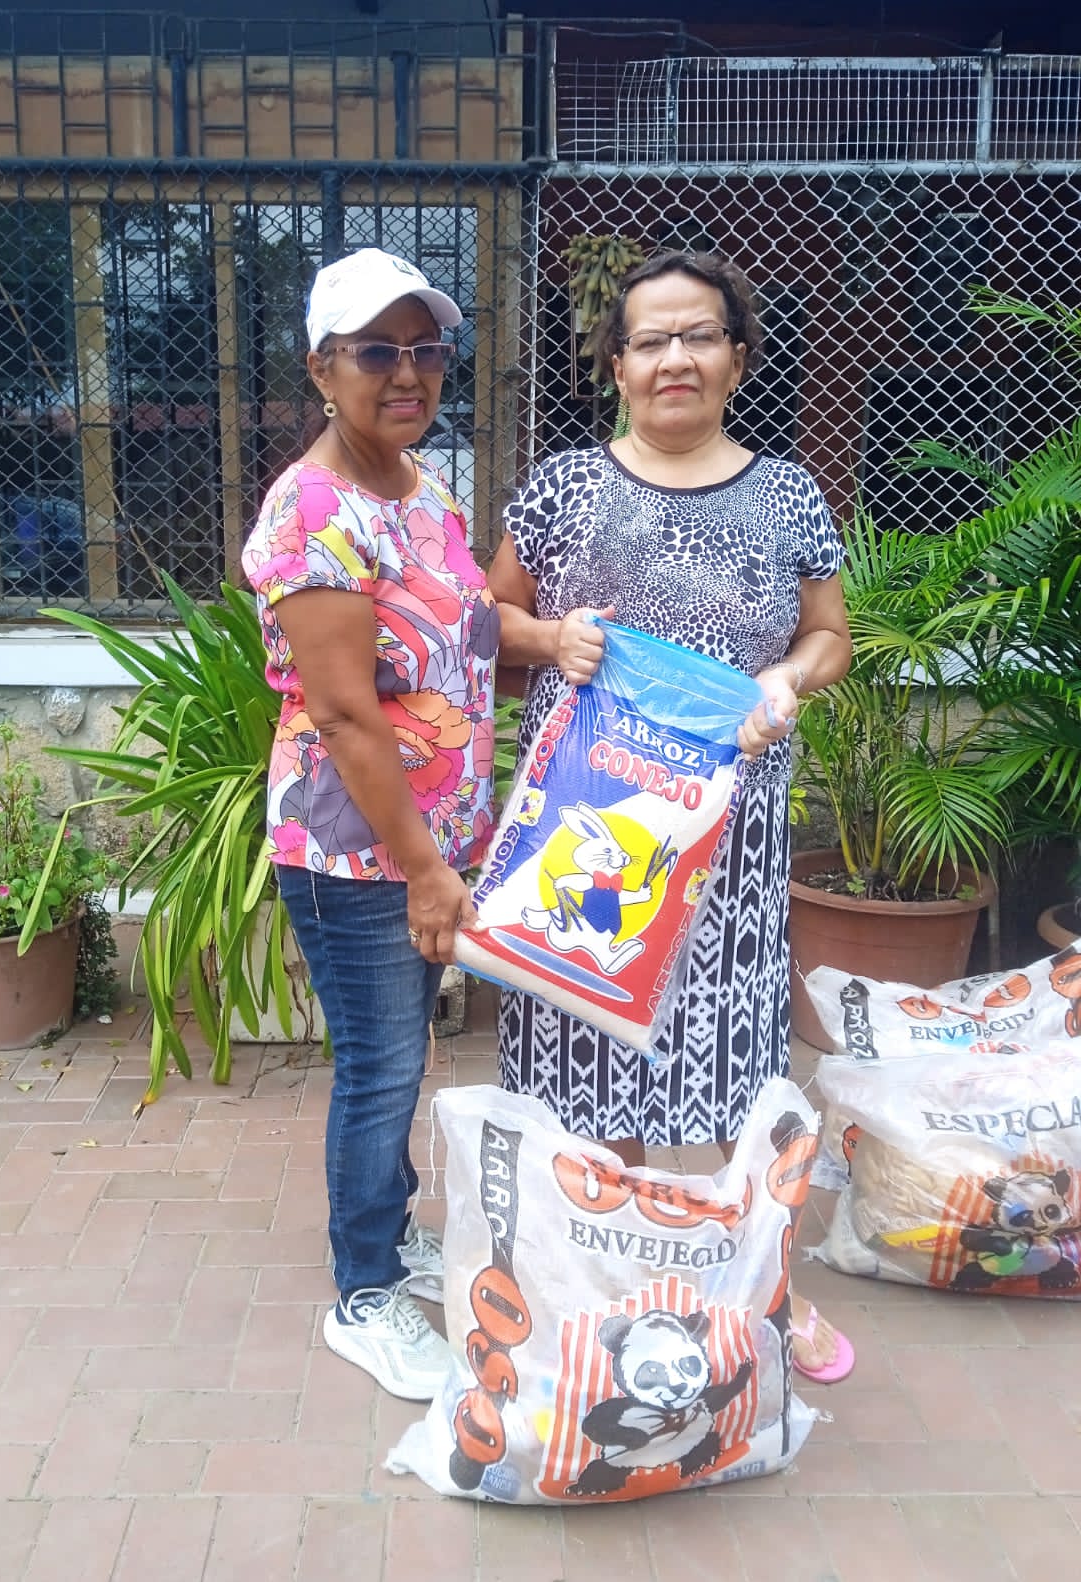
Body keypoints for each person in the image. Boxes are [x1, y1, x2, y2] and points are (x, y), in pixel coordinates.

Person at [488, 248, 856, 1383]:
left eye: (700, 335)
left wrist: (787, 678)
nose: (675, 359)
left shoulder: (788, 495)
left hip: (731, 843)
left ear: (738, 358)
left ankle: (761, 1288)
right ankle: (614, 1283)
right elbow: (486, 621)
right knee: (592, 1060)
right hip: (590, 836)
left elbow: (830, 635)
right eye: (650, 340)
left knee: (736, 1064)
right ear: (616, 365)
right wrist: (551, 637)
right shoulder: (560, 489)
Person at [241, 248, 498, 1400]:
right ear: (322, 367)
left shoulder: (418, 484)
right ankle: (364, 1290)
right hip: (357, 848)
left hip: (421, 843)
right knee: (383, 1063)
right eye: (377, 351)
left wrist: (557, 640)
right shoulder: (311, 509)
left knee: (401, 1053)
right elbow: (346, 713)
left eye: (426, 348)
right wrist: (426, 870)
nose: (408, 372)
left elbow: (463, 628)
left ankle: (388, 1234)